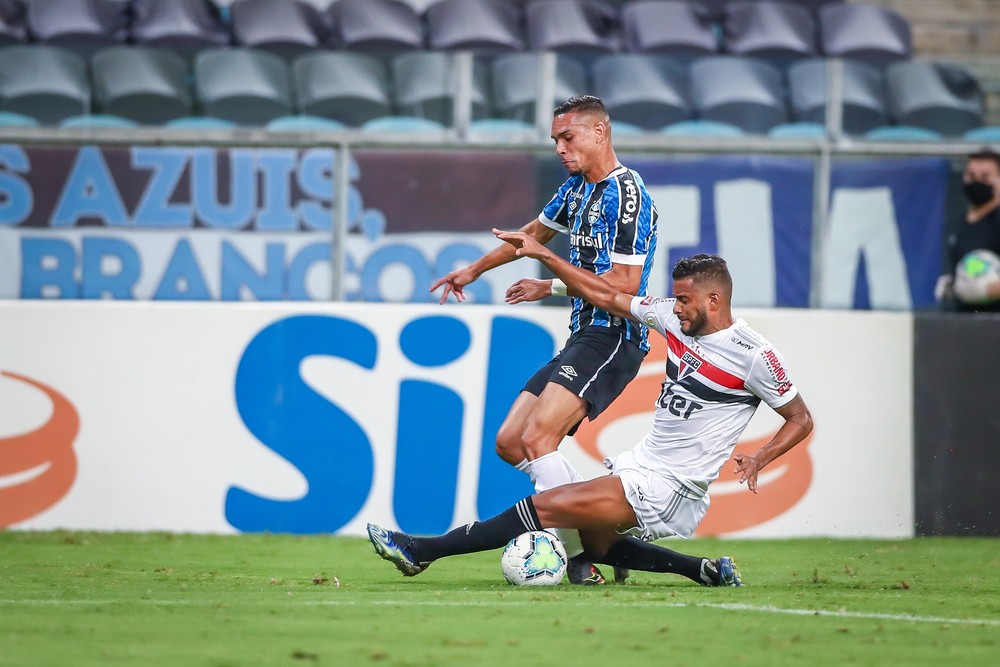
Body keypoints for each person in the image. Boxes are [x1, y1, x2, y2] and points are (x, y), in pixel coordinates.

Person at [369, 247, 813, 588]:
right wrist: (551, 281)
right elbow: (608, 294)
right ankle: (705, 571)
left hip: (672, 486)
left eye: (684, 300)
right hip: (640, 464)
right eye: (675, 298)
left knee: (548, 507)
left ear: (714, 299)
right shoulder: (673, 319)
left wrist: (761, 457)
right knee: (596, 545)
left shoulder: (754, 355)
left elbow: (800, 419)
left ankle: (422, 549)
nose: (675, 307)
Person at [429, 95, 658, 584]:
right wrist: (474, 269)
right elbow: (532, 234)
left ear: (600, 132)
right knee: (512, 442)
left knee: (538, 437)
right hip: (584, 333)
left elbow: (621, 288)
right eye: (555, 139)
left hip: (614, 336)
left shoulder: (629, 195)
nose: (559, 147)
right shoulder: (576, 189)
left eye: (567, 137)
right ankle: (606, 531)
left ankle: (583, 557)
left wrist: (548, 268)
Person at [935, 149, 1000, 313]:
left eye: (985, 177)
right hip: (965, 322)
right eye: (970, 176)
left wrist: (986, 289)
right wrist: (954, 285)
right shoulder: (960, 221)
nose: (976, 181)